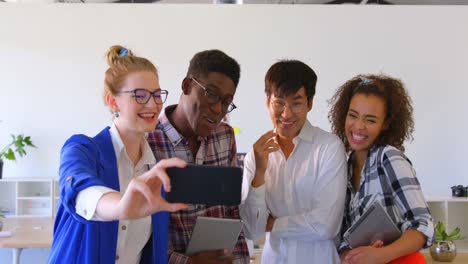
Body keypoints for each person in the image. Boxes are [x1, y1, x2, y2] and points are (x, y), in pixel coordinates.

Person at [48, 45, 188, 264]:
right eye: (139, 95)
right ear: (113, 101)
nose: (152, 104)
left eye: (156, 94)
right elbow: (78, 189)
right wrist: (120, 206)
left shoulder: (157, 172)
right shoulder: (82, 149)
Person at [239, 60, 347, 263]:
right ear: (267, 101)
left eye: (296, 103)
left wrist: (272, 224)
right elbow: (252, 230)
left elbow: (326, 225)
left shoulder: (329, 148)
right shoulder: (257, 154)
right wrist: (259, 174)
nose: (286, 114)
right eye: (278, 102)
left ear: (310, 103)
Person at [147, 49, 249, 264]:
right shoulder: (147, 140)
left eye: (226, 101)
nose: (217, 109)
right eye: (211, 94)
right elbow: (136, 233)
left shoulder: (224, 135)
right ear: (186, 86)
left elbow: (230, 212)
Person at [328, 74, 434, 264]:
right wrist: (348, 257)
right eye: (353, 115)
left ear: (385, 123)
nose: (358, 126)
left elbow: (422, 225)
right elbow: (343, 238)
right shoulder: (344, 167)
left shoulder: (389, 157)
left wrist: (381, 255)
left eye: (370, 120)